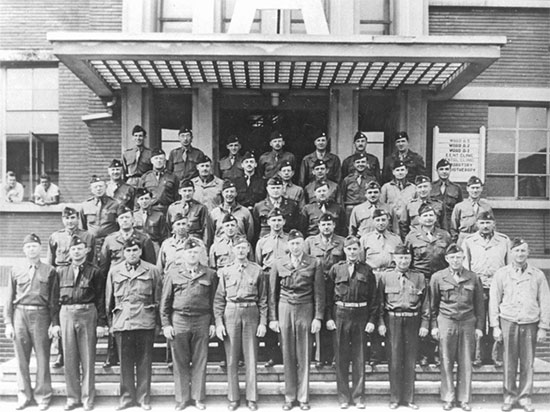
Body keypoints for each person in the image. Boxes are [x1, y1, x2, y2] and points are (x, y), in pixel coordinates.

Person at [489, 238, 550, 412]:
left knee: (527, 362)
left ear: (528, 253)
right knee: (508, 361)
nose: (520, 254)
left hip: (530, 322)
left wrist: (543, 327)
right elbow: (494, 300)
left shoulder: (537, 274)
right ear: (511, 253)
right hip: (508, 321)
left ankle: (525, 397)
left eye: (523, 251)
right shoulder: (501, 274)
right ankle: (509, 396)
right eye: (517, 251)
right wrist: (495, 325)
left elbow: (545, 301)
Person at [269, 229, 325, 411]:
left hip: (305, 307)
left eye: (298, 243)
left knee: (304, 353)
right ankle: (289, 396)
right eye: (292, 243)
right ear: (288, 245)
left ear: (303, 244)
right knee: (287, 353)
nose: (295, 246)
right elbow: (272, 293)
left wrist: (318, 317)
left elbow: (319, 292)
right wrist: (273, 318)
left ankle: (303, 397)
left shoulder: (314, 262)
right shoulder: (278, 263)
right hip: (284, 307)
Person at [160, 238, 217, 411]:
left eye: (195, 252)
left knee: (201, 359)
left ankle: (198, 397)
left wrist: (214, 322)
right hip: (180, 319)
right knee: (180, 361)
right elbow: (165, 301)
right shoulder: (173, 273)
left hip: (202, 319)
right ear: (183, 254)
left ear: (200, 254)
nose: (192, 255)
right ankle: (182, 398)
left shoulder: (210, 274)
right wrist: (166, 324)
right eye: (189, 252)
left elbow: (215, 300)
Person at [4, 234, 59, 411]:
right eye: (28, 247)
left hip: (41, 315)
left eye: (34, 246)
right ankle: (23, 394)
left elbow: (54, 300)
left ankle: (43, 395)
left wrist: (54, 322)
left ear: (40, 248)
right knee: (21, 358)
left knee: (43, 357)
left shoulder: (50, 270)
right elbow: (9, 297)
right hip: (20, 315)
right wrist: (8, 323)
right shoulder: (15, 269)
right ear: (24, 249)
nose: (31, 249)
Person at [105, 238, 162, 411]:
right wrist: (111, 324)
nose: (132, 254)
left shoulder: (152, 270)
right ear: (123, 253)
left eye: (135, 250)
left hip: (145, 321)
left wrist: (158, 323)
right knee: (125, 363)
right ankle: (127, 398)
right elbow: (109, 300)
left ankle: (144, 398)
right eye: (128, 251)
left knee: (145, 362)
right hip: (123, 322)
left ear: (140, 251)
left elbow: (158, 298)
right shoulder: (115, 272)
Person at [214, 236, 267, 411]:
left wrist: (263, 322)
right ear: (233, 250)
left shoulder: (257, 270)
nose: (241, 251)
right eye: (238, 248)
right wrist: (219, 323)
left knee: (251, 356)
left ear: (249, 250)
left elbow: (264, 300)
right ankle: (233, 397)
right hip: (231, 312)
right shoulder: (225, 271)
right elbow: (219, 300)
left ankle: (252, 397)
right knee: (231, 358)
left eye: (244, 248)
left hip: (251, 312)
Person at [99, 206, 156, 369]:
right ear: (117, 221)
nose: (125, 220)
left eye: (127, 217)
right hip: (116, 283)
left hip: (137, 284)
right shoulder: (110, 239)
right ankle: (112, 354)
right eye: (122, 218)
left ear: (133, 219)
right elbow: (104, 265)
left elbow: (150, 265)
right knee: (116, 315)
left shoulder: (143, 239)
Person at [430, 244, 485, 412]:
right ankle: (448, 398)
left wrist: (479, 327)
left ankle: (464, 399)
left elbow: (479, 305)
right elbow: (432, 305)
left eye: (458, 257)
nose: (455, 260)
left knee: (466, 361)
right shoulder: (438, 277)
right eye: (452, 257)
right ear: (447, 259)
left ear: (463, 258)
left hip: (468, 321)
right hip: (446, 321)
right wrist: (434, 326)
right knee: (446, 361)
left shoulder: (473, 277)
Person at [325, 235, 377, 409]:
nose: (352, 252)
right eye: (349, 249)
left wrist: (371, 319)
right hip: (340, 313)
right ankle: (343, 397)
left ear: (359, 250)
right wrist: (329, 318)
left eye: (355, 249)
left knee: (359, 356)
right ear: (344, 250)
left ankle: (358, 396)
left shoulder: (367, 270)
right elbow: (327, 296)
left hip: (361, 314)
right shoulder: (336, 269)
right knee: (341, 357)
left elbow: (374, 298)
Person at [57, 236, 107, 411]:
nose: (77, 251)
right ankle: (72, 397)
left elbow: (101, 298)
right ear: (69, 252)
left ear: (86, 250)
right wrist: (55, 323)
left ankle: (87, 398)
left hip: (88, 312)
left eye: (80, 248)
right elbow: (54, 300)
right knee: (69, 358)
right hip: (67, 313)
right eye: (73, 249)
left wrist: (101, 323)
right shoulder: (60, 271)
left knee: (87, 357)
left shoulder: (95, 271)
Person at [377, 244, 430, 410]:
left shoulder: (419, 277)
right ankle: (394, 398)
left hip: (413, 321)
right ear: (394, 258)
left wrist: (425, 323)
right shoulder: (385, 277)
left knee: (410, 360)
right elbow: (379, 303)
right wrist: (380, 322)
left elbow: (426, 303)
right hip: (393, 320)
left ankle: (409, 398)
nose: (404, 261)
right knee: (394, 360)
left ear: (411, 259)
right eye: (400, 257)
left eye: (407, 258)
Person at [47, 206, 96, 369]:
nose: (70, 221)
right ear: (63, 219)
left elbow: (93, 259)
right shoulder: (56, 236)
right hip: (61, 277)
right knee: (61, 314)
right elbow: (51, 261)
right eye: (67, 218)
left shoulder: (87, 236)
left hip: (83, 275)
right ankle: (61, 352)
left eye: (73, 217)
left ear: (78, 218)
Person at [405, 203, 452, 366]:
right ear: (419, 219)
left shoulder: (444, 236)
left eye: (431, 215)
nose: (428, 218)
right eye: (425, 215)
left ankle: (437, 353)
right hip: (420, 280)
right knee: (421, 315)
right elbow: (408, 260)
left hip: (440, 280)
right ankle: (422, 354)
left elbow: (449, 260)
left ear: (436, 217)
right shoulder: (412, 237)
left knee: (439, 313)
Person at [462, 211, 509, 367]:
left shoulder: (503, 241)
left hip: (498, 285)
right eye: (482, 223)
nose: (485, 226)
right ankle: (477, 356)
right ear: (477, 224)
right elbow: (466, 265)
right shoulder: (469, 241)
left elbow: (508, 265)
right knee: (478, 321)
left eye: (488, 223)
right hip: (478, 285)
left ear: (494, 224)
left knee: (497, 320)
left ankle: (497, 357)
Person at [359, 208, 402, 367]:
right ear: (373, 221)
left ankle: (389, 353)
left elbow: (399, 258)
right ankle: (374, 353)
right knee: (374, 311)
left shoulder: (396, 239)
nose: (381, 223)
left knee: (388, 311)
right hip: (373, 277)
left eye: (384, 220)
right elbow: (362, 261)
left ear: (388, 221)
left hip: (391, 277)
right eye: (378, 220)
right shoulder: (365, 239)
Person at [304, 213, 345, 369]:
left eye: (329, 224)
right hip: (317, 284)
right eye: (323, 224)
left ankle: (335, 355)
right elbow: (307, 262)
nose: (326, 227)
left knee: (334, 319)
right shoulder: (310, 242)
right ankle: (320, 356)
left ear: (334, 225)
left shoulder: (341, 241)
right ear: (318, 226)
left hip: (337, 285)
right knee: (319, 317)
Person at [255, 208, 288, 367]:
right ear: (268, 222)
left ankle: (287, 353)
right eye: (273, 220)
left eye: (279, 220)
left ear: (284, 222)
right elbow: (258, 261)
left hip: (285, 278)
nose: (276, 223)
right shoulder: (262, 242)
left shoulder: (289, 240)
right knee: (270, 312)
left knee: (284, 312)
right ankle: (272, 354)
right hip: (268, 279)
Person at [79, 175, 119, 258]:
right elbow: (82, 228)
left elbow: (120, 225)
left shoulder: (115, 204)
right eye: (95, 187)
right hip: (92, 243)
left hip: (110, 242)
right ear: (91, 189)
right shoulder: (85, 205)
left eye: (101, 186)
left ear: (106, 187)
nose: (98, 189)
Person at [451, 176, 492, 245]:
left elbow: (492, 225)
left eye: (477, 188)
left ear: (481, 189)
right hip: (464, 238)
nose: (475, 191)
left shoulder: (486, 207)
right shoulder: (459, 206)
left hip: (481, 240)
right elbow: (453, 227)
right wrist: (456, 242)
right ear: (467, 189)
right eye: (472, 188)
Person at [167, 179, 210, 246]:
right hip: (177, 242)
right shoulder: (172, 208)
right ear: (179, 192)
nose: (187, 194)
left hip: (195, 242)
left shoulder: (200, 207)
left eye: (190, 190)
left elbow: (206, 229)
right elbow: (169, 229)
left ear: (194, 191)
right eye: (184, 191)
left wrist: (205, 246)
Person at [400, 175, 444, 239]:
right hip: (416, 240)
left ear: (430, 187)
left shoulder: (439, 204)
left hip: (434, 239)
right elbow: (403, 225)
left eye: (425, 186)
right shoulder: (409, 205)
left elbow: (444, 225)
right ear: (416, 189)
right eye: (420, 187)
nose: (422, 190)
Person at [380, 160, 416, 235]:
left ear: (406, 171)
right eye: (397, 170)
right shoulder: (386, 187)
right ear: (393, 172)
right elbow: (382, 205)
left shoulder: (413, 188)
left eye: (402, 170)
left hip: (407, 223)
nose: (400, 172)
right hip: (391, 223)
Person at [140, 148, 180, 213]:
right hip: (151, 210)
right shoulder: (145, 177)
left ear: (165, 161)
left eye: (161, 158)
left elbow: (177, 197)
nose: (159, 161)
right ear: (151, 161)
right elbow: (140, 196)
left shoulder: (172, 177)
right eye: (156, 158)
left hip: (168, 210)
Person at [341, 152, 378, 221]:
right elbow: (342, 197)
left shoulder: (371, 179)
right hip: (350, 209)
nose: (360, 164)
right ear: (354, 164)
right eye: (358, 162)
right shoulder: (347, 180)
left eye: (363, 162)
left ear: (367, 164)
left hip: (366, 208)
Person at [430, 159, 463, 232]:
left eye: (447, 169)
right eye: (441, 169)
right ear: (437, 171)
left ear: (450, 170)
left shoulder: (456, 188)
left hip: (451, 224)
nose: (444, 172)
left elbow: (460, 209)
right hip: (435, 224)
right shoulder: (431, 187)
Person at [133, 187, 170, 252]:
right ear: (138, 201)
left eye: (146, 198)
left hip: (154, 245)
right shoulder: (133, 215)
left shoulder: (159, 215)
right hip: (137, 245)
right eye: (141, 199)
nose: (144, 201)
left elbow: (164, 236)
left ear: (151, 200)